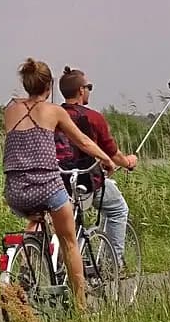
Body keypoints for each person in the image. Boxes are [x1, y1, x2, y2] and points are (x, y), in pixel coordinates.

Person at [2, 57, 115, 312]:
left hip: (15, 191)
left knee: (37, 220)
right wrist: (106, 160)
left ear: (26, 83)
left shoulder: (9, 109)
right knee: (69, 241)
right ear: (49, 86)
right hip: (47, 186)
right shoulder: (54, 111)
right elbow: (83, 141)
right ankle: (81, 308)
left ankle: (26, 265)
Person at [55, 66, 137, 265]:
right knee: (118, 209)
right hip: (87, 181)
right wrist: (128, 162)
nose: (89, 90)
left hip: (58, 182)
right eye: (89, 86)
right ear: (81, 90)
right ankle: (113, 263)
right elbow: (113, 153)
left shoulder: (53, 116)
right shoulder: (93, 118)